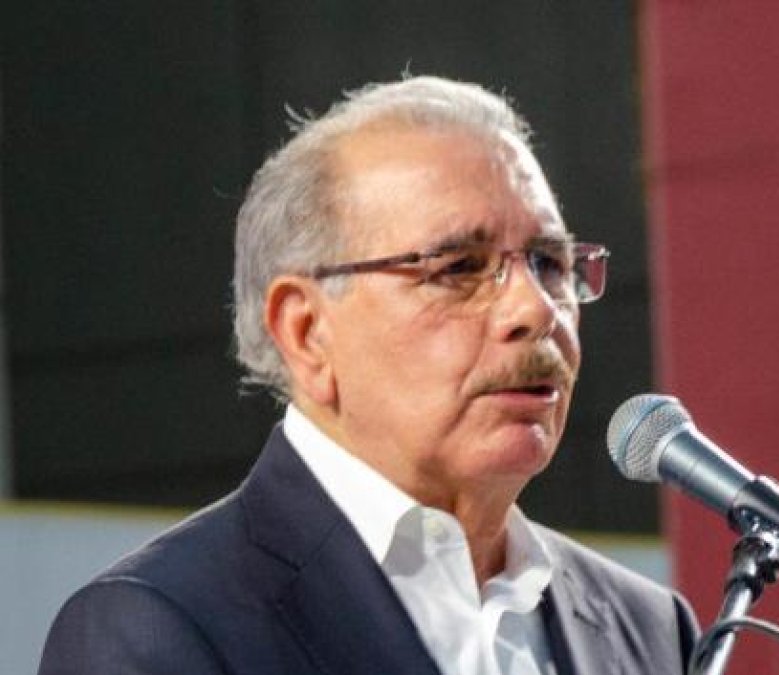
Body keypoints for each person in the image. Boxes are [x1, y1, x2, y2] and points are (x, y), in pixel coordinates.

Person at [38, 75, 698, 674]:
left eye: (549, 263)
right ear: (307, 331)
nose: (535, 310)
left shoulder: (650, 631)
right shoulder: (158, 628)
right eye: (459, 268)